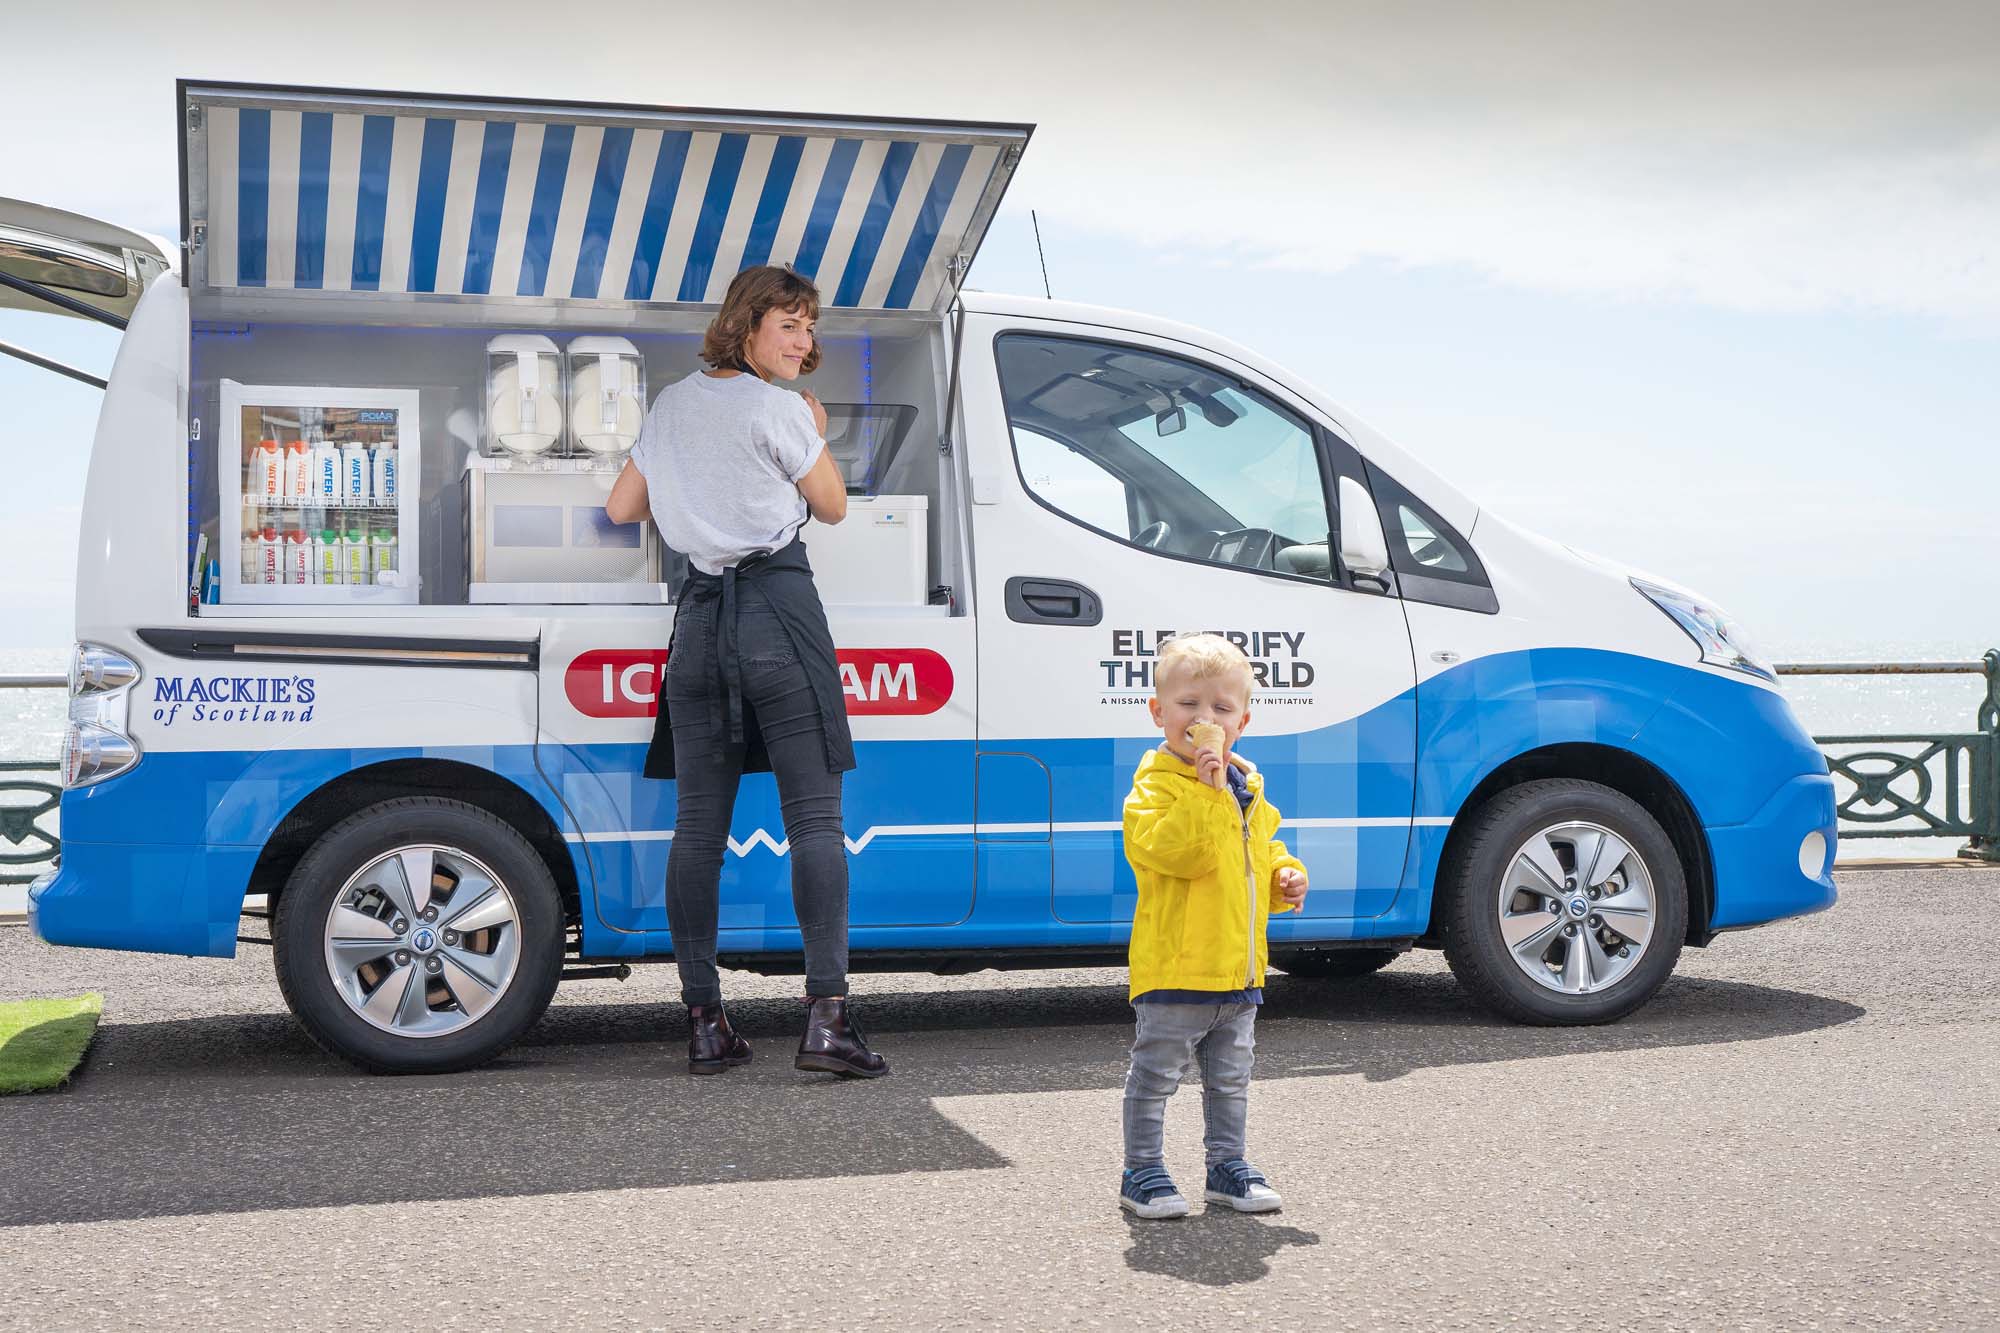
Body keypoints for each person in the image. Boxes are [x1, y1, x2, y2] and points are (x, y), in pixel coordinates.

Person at [605, 264, 887, 1079]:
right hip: (777, 612)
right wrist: (814, 432)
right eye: (790, 324)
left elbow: (624, 507)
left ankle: (704, 1023)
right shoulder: (781, 409)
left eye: (809, 328)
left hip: (697, 623)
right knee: (814, 820)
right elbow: (831, 504)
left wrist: (696, 485)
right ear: (748, 324)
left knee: (698, 828)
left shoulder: (670, 405)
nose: (805, 342)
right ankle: (827, 1023)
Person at [1117, 633, 1309, 1217]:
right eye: (1189, 705)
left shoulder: (1246, 789)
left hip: (1238, 970)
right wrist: (1206, 791)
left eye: (1221, 710)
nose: (1205, 720)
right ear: (1158, 711)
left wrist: (1285, 876)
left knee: (1230, 1080)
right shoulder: (1154, 790)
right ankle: (1142, 1171)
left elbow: (1257, 855)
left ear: (1242, 721)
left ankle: (1227, 1167)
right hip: (1177, 969)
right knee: (1156, 1078)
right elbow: (1181, 854)